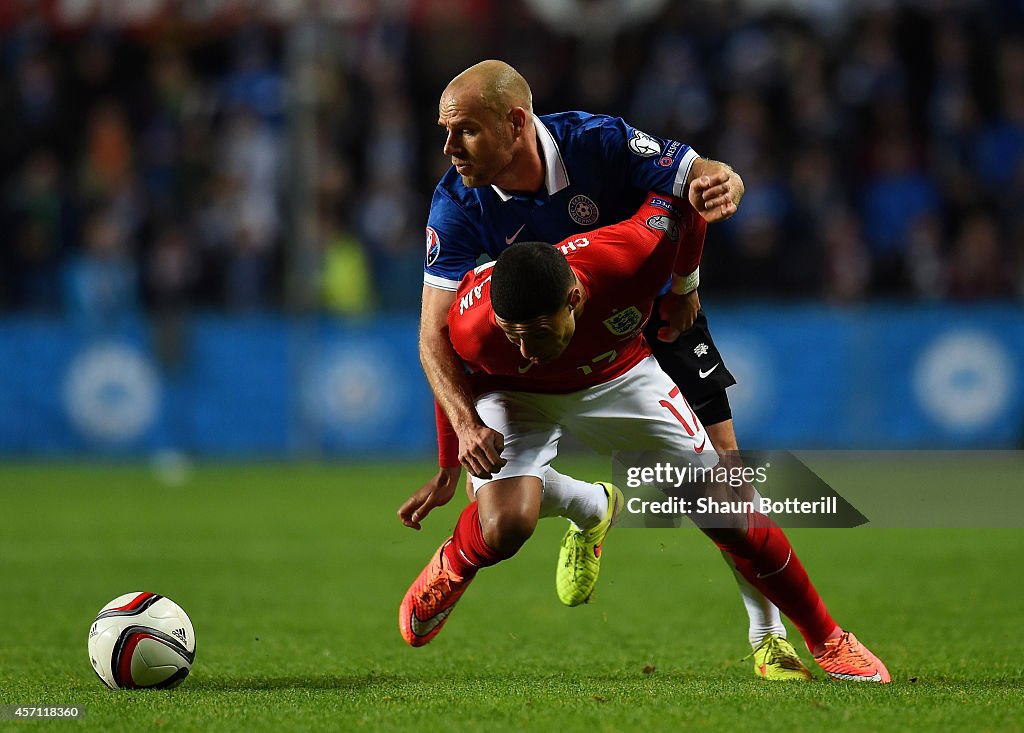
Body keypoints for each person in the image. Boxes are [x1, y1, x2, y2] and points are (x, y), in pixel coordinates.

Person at [408, 58, 807, 680]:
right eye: (445, 131)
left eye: (463, 130)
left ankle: (769, 637)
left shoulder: (597, 139)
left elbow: (694, 177)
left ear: (515, 123)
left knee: (726, 481)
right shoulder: (456, 200)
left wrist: (697, 248)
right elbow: (435, 333)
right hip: (552, 334)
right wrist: (456, 438)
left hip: (646, 307)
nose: (448, 147)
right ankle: (590, 505)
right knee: (501, 512)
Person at [398, 193, 890, 684]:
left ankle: (826, 639)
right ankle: (460, 562)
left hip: (620, 377)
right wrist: (453, 455)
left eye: (538, 333)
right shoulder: (477, 324)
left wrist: (686, 284)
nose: (526, 347)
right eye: (514, 334)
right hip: (514, 393)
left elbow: (685, 205)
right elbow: (443, 358)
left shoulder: (627, 256)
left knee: (729, 512)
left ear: (573, 300)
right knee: (505, 524)